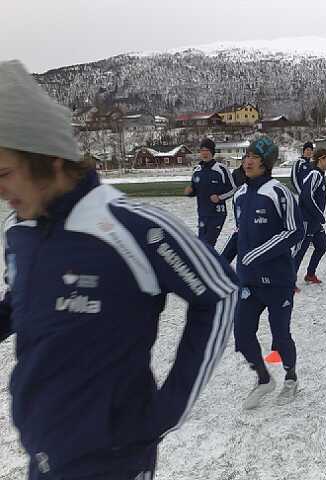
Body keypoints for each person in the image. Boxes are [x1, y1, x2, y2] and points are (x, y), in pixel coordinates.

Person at [0, 60, 239, 479]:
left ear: (50, 159)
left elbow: (219, 291)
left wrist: (170, 407)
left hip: (113, 460)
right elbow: (20, 304)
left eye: (4, 172)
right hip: (41, 454)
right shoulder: (19, 231)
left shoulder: (132, 226)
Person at [225, 136, 304, 409]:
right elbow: (239, 234)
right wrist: (222, 261)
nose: (247, 160)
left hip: (278, 280)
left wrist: (259, 253)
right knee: (242, 334)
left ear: (266, 162)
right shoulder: (239, 195)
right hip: (249, 281)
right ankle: (263, 378)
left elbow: (296, 231)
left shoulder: (279, 192)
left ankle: (291, 378)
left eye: (254, 156)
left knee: (280, 334)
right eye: (246, 155)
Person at [185, 138, 236, 248]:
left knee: (208, 244)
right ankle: (210, 264)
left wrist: (219, 197)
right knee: (202, 246)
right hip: (202, 214)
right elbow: (194, 190)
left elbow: (233, 189)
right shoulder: (197, 170)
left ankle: (215, 263)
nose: (204, 152)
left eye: (207, 150)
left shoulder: (221, 169)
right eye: (202, 150)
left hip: (217, 215)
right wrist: (190, 192)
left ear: (212, 152)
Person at [294, 148, 326, 284]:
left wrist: (318, 217)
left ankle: (310, 274)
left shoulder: (320, 175)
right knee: (300, 250)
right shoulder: (314, 174)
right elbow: (306, 196)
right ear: (320, 160)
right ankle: (288, 281)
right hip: (306, 220)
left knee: (322, 245)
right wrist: (319, 214)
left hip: (315, 222)